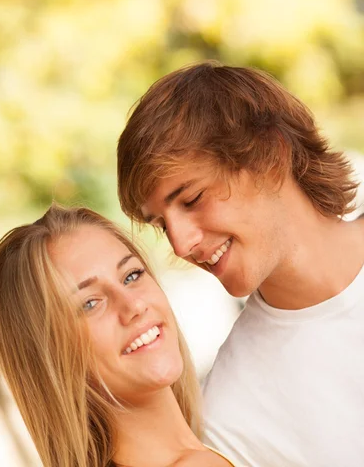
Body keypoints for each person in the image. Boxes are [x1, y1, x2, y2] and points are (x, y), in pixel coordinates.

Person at [117, 61, 364, 467]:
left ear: (271, 156)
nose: (180, 244)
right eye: (161, 224)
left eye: (192, 199)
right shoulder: (232, 416)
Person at [0, 204, 233, 467]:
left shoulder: (221, 441)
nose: (133, 306)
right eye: (90, 303)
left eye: (131, 275)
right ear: (49, 358)